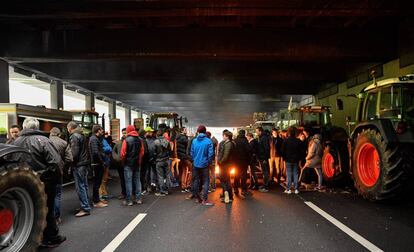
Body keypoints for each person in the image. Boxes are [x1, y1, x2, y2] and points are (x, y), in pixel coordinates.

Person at [13, 117, 66, 247]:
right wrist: (45, 177)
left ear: (24, 127)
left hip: (21, 186)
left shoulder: (15, 142)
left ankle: (27, 239)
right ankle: (50, 237)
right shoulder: (43, 141)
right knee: (48, 210)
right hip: (44, 184)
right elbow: (56, 164)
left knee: (27, 212)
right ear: (37, 127)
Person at [67, 121, 92, 217]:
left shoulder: (74, 136)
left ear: (70, 128)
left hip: (79, 164)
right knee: (84, 185)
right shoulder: (82, 135)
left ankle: (85, 208)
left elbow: (75, 153)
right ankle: (86, 205)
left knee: (80, 186)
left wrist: (70, 161)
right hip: (84, 163)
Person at [49, 127, 73, 224]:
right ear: (59, 134)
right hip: (58, 171)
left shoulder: (44, 141)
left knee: (47, 195)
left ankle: (48, 218)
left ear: (50, 133)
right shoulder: (63, 143)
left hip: (46, 172)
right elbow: (70, 159)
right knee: (57, 195)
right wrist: (64, 167)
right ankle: (56, 218)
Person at [190, 125, 214, 206]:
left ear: (198, 131)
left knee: (196, 180)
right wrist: (208, 162)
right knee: (206, 181)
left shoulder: (194, 141)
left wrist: (194, 160)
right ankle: (205, 199)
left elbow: (192, 152)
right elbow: (211, 154)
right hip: (205, 164)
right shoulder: (208, 141)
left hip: (196, 164)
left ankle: (198, 198)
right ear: (205, 131)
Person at [120, 125, 143, 205]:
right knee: (137, 181)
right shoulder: (140, 140)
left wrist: (123, 162)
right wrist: (139, 161)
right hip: (137, 163)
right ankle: (138, 199)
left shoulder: (126, 140)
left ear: (128, 131)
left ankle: (129, 200)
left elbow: (122, 154)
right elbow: (141, 152)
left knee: (128, 181)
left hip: (128, 164)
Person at [89, 125, 108, 207]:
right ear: (98, 130)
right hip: (97, 164)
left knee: (98, 182)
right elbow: (95, 152)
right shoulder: (94, 139)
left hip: (97, 163)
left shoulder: (95, 139)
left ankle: (97, 199)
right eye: (101, 130)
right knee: (96, 183)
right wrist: (102, 161)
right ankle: (96, 201)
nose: (103, 131)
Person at [281, 126, 302, 194]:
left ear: (289, 132)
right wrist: (299, 158)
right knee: (296, 174)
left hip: (288, 159)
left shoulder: (286, 141)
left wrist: (284, 158)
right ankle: (296, 189)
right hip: (296, 159)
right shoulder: (298, 141)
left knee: (289, 174)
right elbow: (301, 151)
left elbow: (283, 151)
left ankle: (288, 189)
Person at [217, 130, 235, 204]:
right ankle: (228, 196)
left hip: (225, 165)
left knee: (224, 180)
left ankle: (228, 196)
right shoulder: (230, 143)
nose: (223, 137)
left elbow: (225, 156)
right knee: (226, 180)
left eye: (224, 136)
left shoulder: (228, 144)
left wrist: (220, 162)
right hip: (227, 165)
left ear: (227, 137)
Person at [234, 129, 252, 196]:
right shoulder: (245, 141)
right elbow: (249, 149)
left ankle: (235, 189)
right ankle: (243, 190)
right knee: (244, 175)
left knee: (236, 175)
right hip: (244, 161)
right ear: (244, 134)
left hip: (236, 161)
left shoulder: (235, 140)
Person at [154, 129, 171, 196]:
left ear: (157, 135)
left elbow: (154, 152)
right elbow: (170, 151)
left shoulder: (156, 142)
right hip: (166, 160)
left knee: (160, 176)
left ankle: (162, 191)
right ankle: (167, 189)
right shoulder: (167, 141)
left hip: (159, 160)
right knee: (167, 175)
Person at [112, 128, 127, 199]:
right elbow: (113, 151)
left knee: (128, 178)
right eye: (123, 133)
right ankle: (123, 193)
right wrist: (116, 158)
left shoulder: (128, 141)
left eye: (125, 133)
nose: (124, 134)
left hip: (127, 163)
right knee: (122, 179)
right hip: (120, 164)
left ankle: (129, 192)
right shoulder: (118, 142)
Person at [256, 127, 271, 192]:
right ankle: (265, 185)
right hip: (262, 157)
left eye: (257, 131)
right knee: (264, 172)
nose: (256, 133)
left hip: (263, 158)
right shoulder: (262, 137)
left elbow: (267, 148)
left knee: (265, 172)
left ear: (260, 131)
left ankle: (266, 187)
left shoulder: (263, 138)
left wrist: (265, 158)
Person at [176, 127, 191, 192]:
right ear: (182, 131)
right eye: (185, 130)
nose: (186, 131)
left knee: (184, 170)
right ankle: (188, 185)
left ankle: (183, 186)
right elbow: (189, 145)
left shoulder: (177, 137)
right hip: (185, 156)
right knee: (192, 169)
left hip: (180, 157)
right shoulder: (184, 138)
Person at [144, 127, 157, 193]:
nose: (151, 133)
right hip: (147, 159)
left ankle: (153, 184)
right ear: (146, 132)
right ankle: (148, 186)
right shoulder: (143, 140)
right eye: (149, 132)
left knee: (153, 172)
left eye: (151, 132)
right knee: (147, 173)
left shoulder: (154, 139)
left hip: (152, 159)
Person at [99, 136, 112, 201]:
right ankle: (101, 195)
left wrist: (102, 149)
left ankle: (103, 193)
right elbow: (108, 148)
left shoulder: (103, 140)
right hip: (102, 162)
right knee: (101, 179)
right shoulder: (96, 140)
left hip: (105, 161)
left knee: (104, 179)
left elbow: (109, 148)